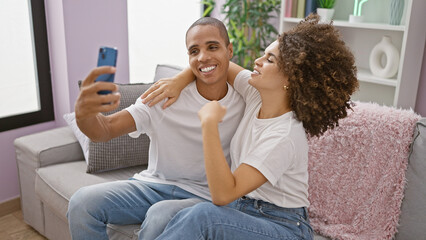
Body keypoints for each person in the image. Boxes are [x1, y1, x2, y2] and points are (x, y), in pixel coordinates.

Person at [141, 14, 359, 239]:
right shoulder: (255, 94)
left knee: (203, 217)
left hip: (284, 226)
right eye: (264, 54)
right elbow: (216, 63)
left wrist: (209, 124)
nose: (257, 61)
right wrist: (179, 80)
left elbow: (222, 195)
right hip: (242, 208)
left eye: (270, 59)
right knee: (161, 210)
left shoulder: (284, 135)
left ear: (291, 78)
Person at [67, 17, 245, 240]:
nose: (203, 57)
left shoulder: (245, 98)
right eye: (194, 51)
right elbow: (105, 130)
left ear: (229, 50)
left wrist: (183, 76)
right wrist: (84, 113)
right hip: (151, 186)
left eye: (212, 47)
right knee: (82, 203)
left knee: (159, 217)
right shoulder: (163, 95)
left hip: (205, 196)